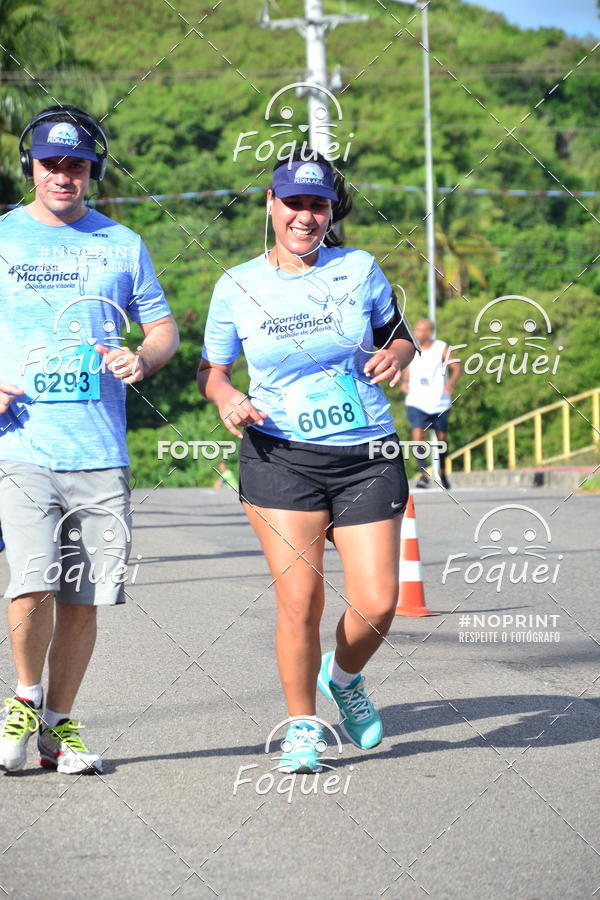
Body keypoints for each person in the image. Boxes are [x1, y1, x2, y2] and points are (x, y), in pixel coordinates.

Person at [198, 152, 418, 773]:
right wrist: (227, 397)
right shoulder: (236, 284)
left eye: (317, 204)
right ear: (270, 205)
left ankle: (343, 676)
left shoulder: (359, 268)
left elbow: (398, 334)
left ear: (330, 212)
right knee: (301, 603)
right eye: (293, 203)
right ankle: (302, 726)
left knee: (377, 602)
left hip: (365, 451)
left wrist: (397, 354)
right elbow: (210, 372)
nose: (305, 215)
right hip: (279, 456)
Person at [0, 105, 179, 774]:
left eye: (75, 164)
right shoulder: (4, 238)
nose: (62, 175)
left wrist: (145, 358)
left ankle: (55, 726)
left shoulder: (122, 243)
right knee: (33, 580)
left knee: (83, 597)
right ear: (32, 168)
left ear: (92, 171)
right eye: (50, 163)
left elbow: (162, 328)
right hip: (20, 445)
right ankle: (23, 697)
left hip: (100, 452)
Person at [401, 318, 461, 490]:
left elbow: (456, 367)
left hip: (439, 402)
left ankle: (442, 472)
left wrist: (450, 383)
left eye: (421, 330)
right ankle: (423, 475)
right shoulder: (411, 346)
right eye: (416, 329)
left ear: (430, 332)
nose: (418, 333)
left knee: (441, 439)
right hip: (416, 400)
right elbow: (408, 367)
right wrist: (405, 382)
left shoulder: (441, 347)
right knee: (418, 435)